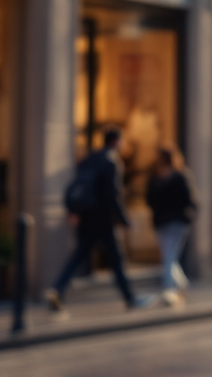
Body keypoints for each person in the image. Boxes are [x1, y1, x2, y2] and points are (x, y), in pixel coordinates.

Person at [47, 129, 154, 312]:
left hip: (86, 217)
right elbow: (113, 195)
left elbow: (78, 187)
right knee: (117, 260)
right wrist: (123, 220)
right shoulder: (111, 161)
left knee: (78, 256)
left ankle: (57, 289)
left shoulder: (88, 159)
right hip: (103, 219)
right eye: (121, 142)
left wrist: (75, 211)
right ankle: (130, 298)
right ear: (116, 142)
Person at [145, 147, 197, 307]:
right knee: (170, 257)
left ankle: (169, 290)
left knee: (168, 256)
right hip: (176, 221)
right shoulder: (179, 176)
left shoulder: (156, 177)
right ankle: (179, 286)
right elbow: (190, 199)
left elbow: (149, 199)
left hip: (164, 221)